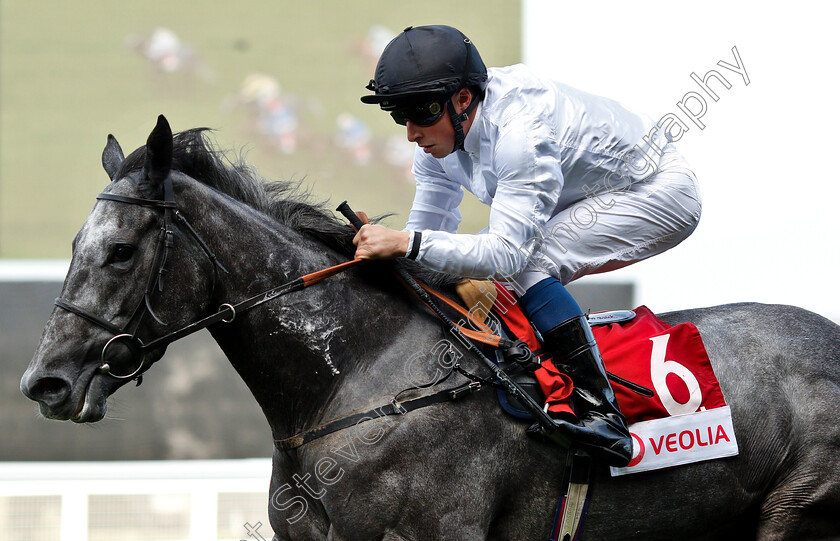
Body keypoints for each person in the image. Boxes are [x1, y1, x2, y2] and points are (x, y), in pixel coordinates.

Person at [354, 25, 701, 467]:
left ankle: (603, 414)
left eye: (421, 112)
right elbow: (424, 240)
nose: (410, 133)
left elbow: (504, 256)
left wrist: (403, 242)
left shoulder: (520, 135)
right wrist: (388, 255)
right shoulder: (436, 145)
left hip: (657, 189)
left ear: (464, 99)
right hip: (590, 193)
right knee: (458, 259)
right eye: (398, 115)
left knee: (527, 264)